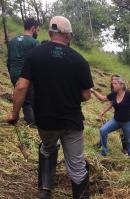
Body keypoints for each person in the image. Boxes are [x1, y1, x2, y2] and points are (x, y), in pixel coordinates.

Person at [7, 16, 93, 199]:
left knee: (47, 148)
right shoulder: (79, 60)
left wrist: (14, 114)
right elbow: (86, 95)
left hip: (45, 121)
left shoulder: (35, 55)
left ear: (51, 32)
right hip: (72, 121)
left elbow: (21, 86)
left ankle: (45, 191)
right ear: (68, 35)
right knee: (77, 165)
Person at [91, 77, 130, 158]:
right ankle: (104, 151)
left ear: (121, 85)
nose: (112, 85)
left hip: (127, 122)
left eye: (115, 83)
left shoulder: (129, 94)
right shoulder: (113, 94)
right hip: (116, 120)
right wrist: (93, 91)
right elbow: (102, 98)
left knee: (129, 141)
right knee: (103, 130)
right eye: (112, 83)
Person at [7, 18, 39, 126]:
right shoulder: (34, 42)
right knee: (30, 99)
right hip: (27, 76)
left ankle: (25, 118)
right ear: (33, 28)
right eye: (37, 30)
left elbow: (9, 61)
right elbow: (37, 62)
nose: (37, 33)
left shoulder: (12, 42)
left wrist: (12, 73)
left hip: (14, 74)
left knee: (23, 98)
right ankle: (32, 122)